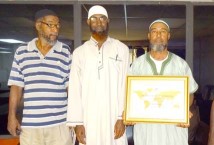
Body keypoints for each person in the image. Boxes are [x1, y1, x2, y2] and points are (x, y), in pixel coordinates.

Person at [7, 9, 72, 145]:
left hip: (59, 125)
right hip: (31, 127)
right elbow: (16, 87)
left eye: (58, 25)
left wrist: (75, 119)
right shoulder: (22, 51)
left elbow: (70, 88)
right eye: (50, 25)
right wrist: (11, 117)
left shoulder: (65, 51)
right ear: (38, 25)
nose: (55, 29)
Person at [66, 5, 129, 145]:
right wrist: (77, 122)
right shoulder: (79, 53)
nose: (98, 22)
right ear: (88, 22)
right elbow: (75, 89)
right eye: (94, 18)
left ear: (108, 21)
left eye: (102, 18)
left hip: (114, 117)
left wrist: (122, 117)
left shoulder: (122, 49)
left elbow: (125, 85)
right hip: (88, 119)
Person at [128, 19, 198, 145]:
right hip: (146, 130)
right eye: (154, 32)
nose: (158, 35)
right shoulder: (137, 65)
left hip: (174, 131)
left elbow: (190, 93)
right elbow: (129, 93)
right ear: (149, 36)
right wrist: (129, 111)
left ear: (168, 36)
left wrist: (184, 109)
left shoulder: (181, 64)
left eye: (163, 32)